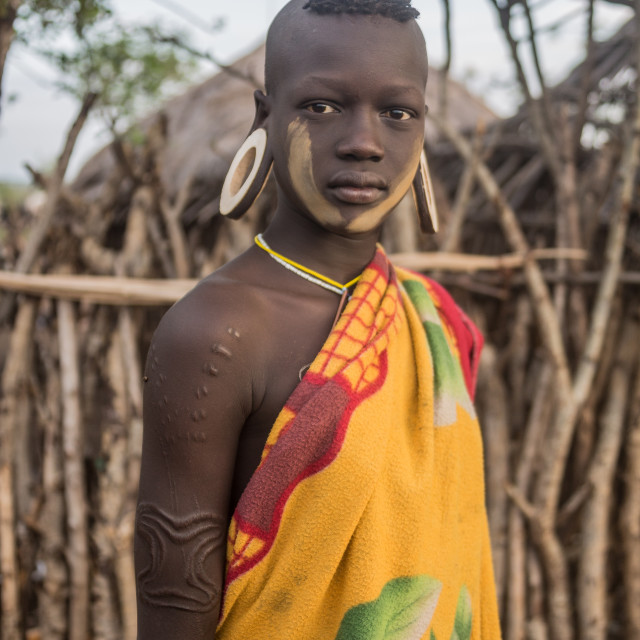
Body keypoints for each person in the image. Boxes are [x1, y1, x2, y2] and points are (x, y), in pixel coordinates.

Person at [134, 0, 502, 638]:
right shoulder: (219, 330)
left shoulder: (434, 317)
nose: (363, 142)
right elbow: (174, 600)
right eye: (322, 106)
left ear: (422, 129)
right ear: (266, 117)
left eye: (397, 113)